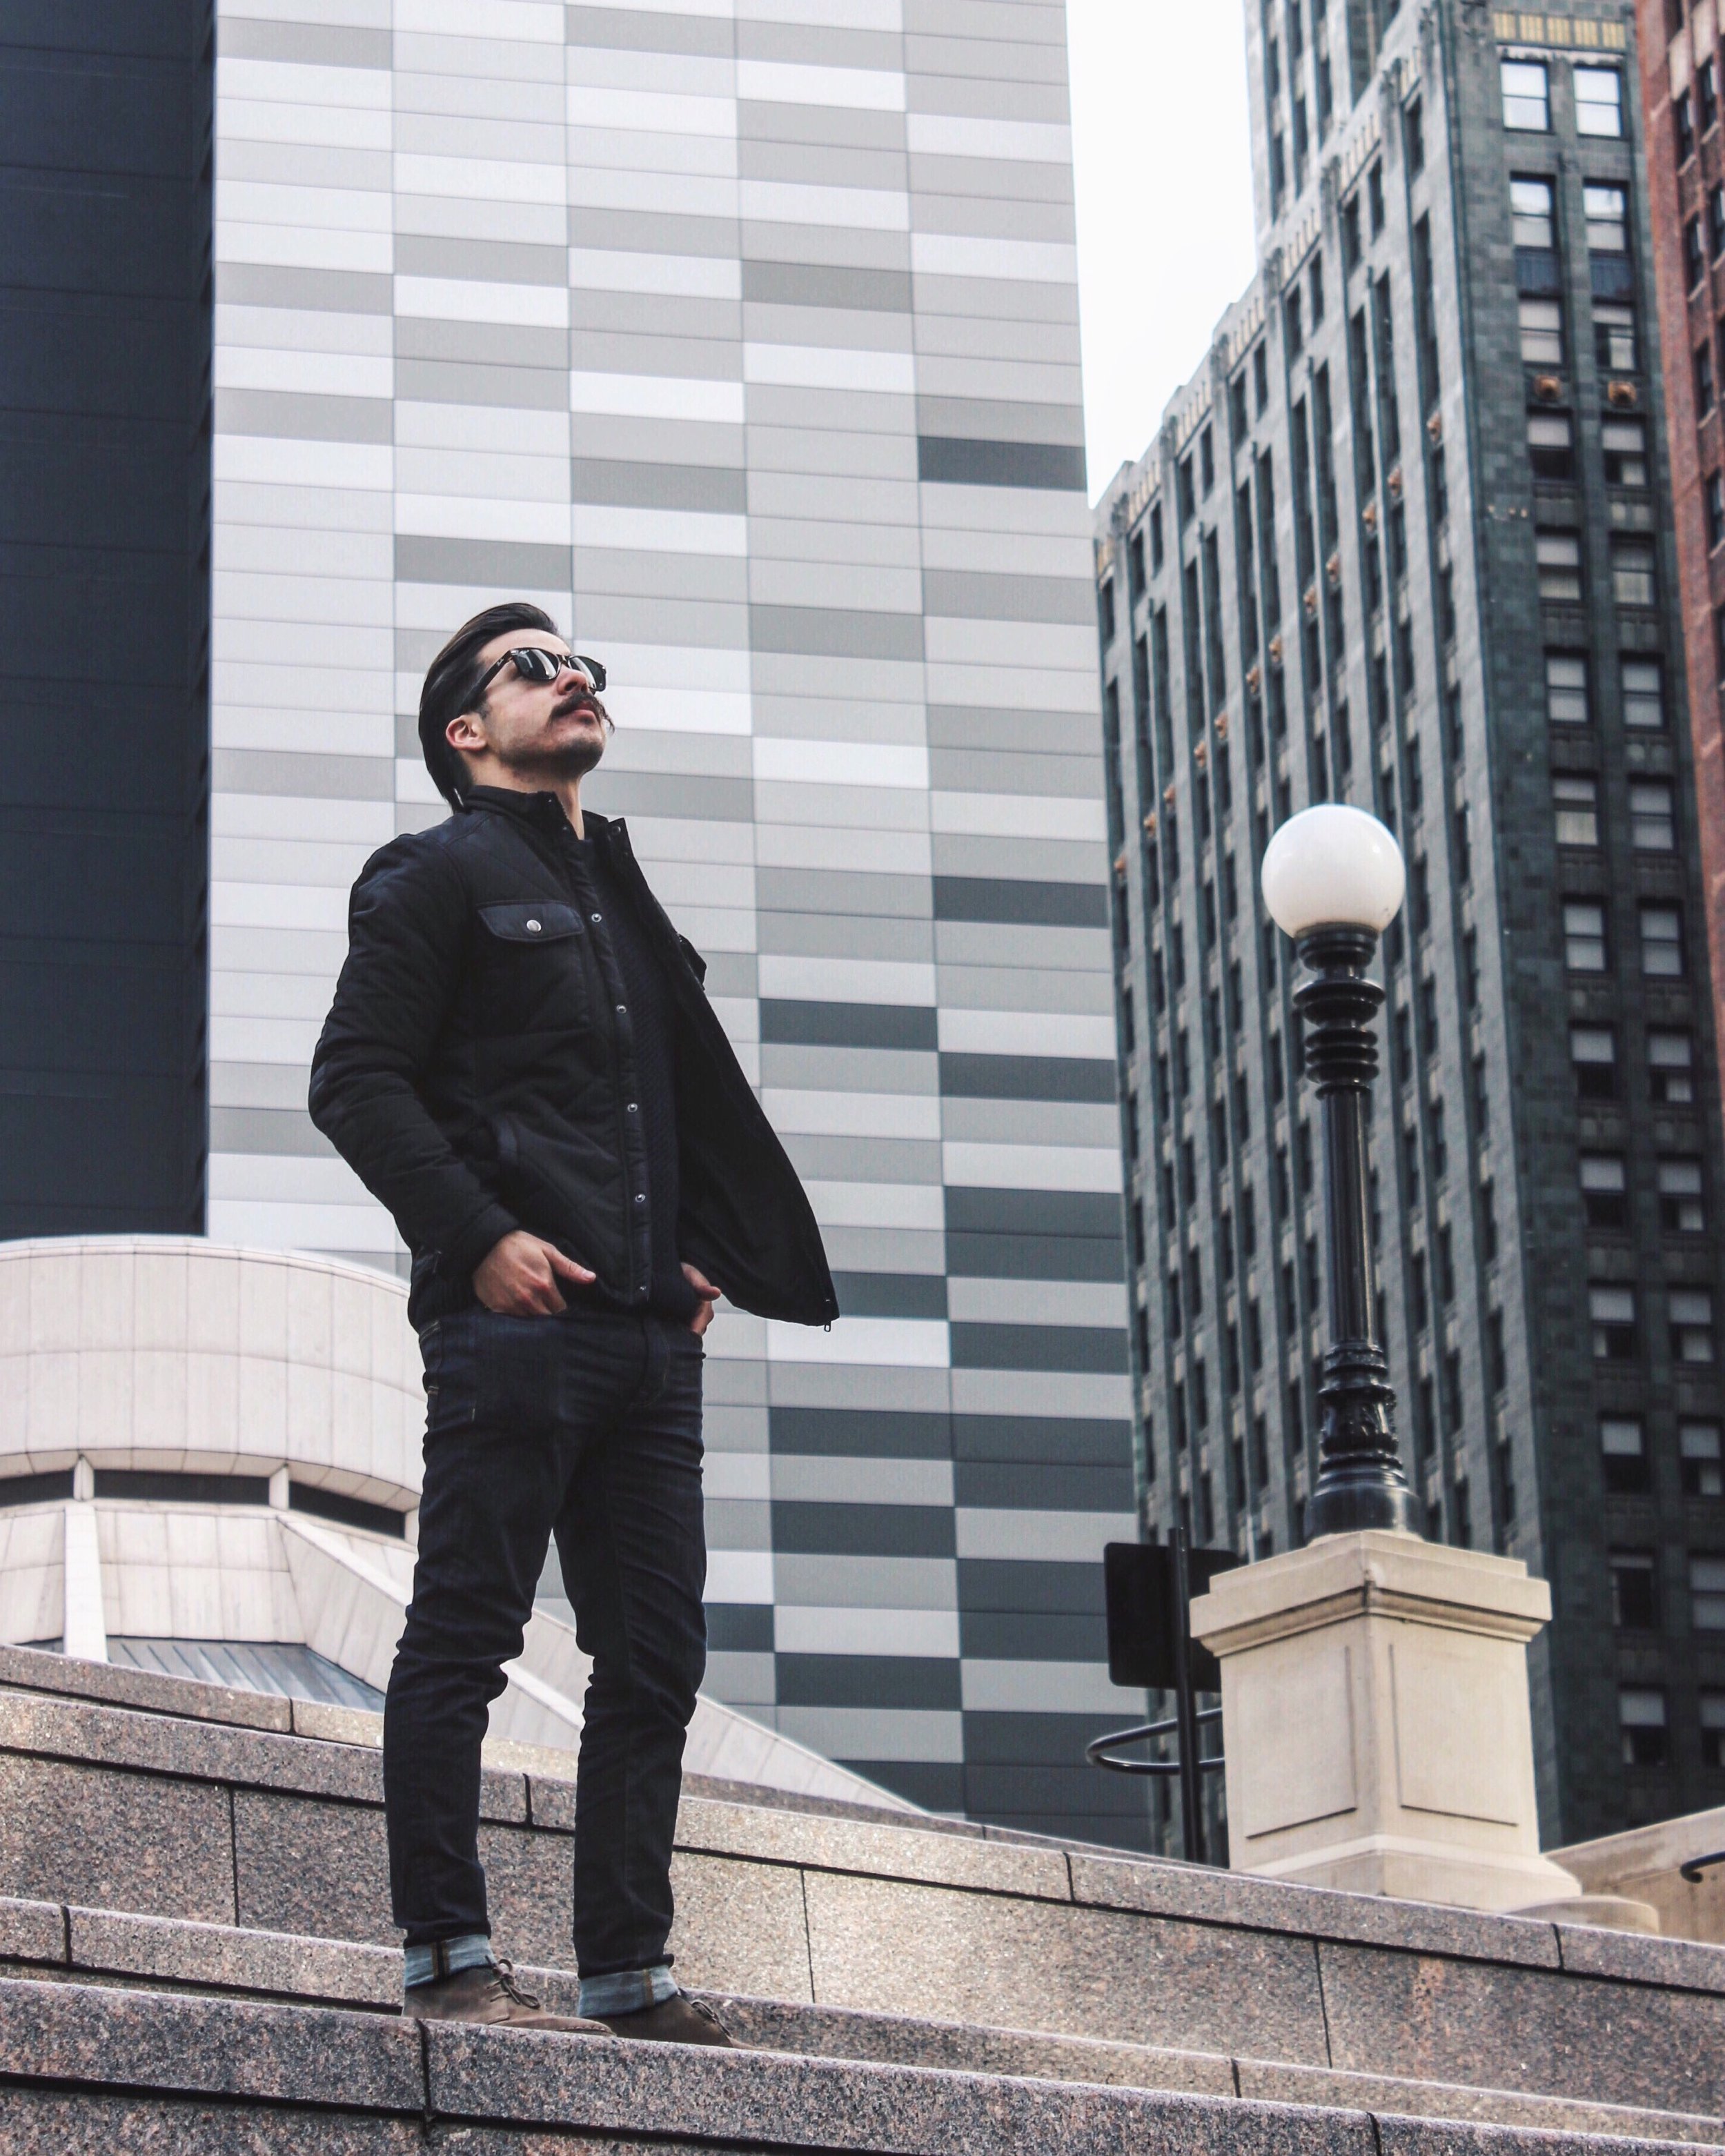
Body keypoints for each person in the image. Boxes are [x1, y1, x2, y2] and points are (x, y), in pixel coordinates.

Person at [308, 602, 836, 2042]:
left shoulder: (619, 893)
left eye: (583, 663)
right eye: (533, 668)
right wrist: (479, 1240)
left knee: (655, 1654)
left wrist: (695, 1258)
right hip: (515, 1326)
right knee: (466, 1633)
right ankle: (445, 1954)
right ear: (466, 731)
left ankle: (627, 1969)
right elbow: (354, 1080)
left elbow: (662, 1109)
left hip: (651, 1340)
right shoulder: (430, 876)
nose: (574, 677)